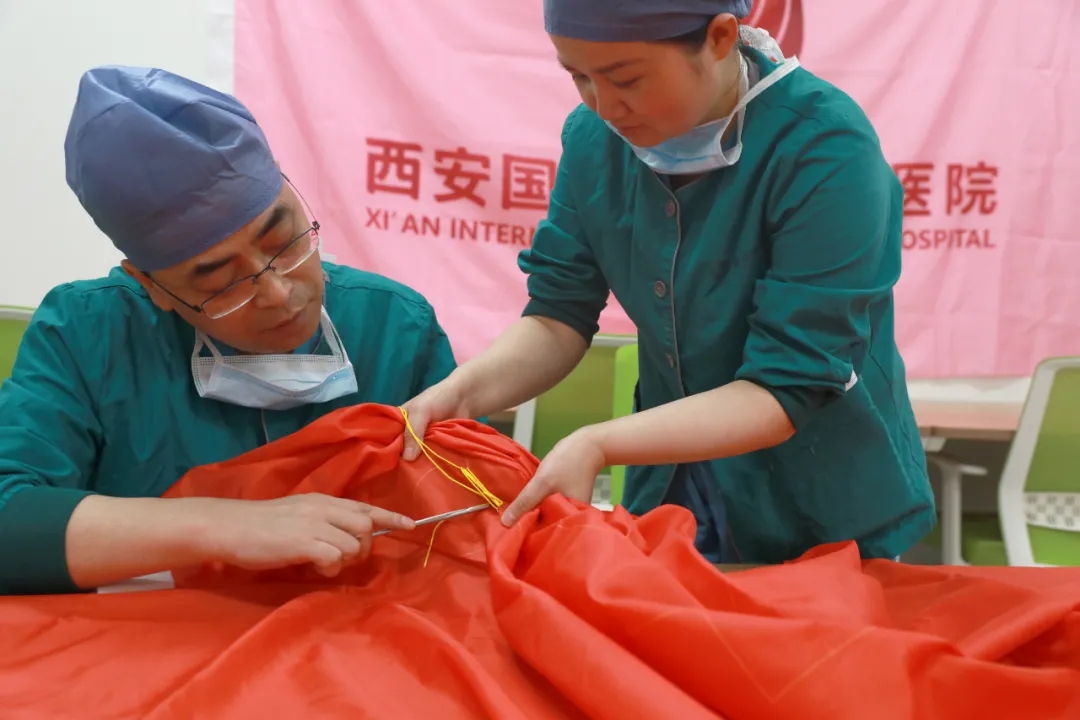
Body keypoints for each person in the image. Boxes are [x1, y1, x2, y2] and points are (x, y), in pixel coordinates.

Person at [402, 0, 935, 565]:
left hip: (818, 504)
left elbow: (787, 385)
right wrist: (461, 393)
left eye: (627, 79)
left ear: (721, 37)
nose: (605, 107)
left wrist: (598, 442)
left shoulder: (826, 150)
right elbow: (558, 315)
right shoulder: (593, 140)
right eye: (580, 77)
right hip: (673, 493)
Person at [0, 67, 458, 595]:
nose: (279, 293)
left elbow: (469, 511)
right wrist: (221, 525)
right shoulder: (88, 334)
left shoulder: (397, 326)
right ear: (149, 284)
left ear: (288, 187)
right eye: (220, 281)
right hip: (154, 638)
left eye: (283, 239)